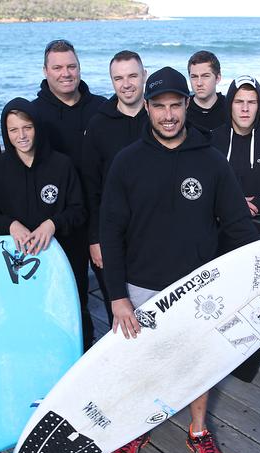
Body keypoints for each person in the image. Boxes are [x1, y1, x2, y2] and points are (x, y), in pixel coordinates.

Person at [100, 67, 260, 453]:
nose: (168, 114)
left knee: (199, 364)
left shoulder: (211, 162)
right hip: (139, 287)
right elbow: (110, 231)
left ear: (187, 105)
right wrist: (117, 295)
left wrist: (255, 282)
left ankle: (198, 429)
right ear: (147, 109)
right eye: (160, 107)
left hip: (199, 288)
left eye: (176, 105)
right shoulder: (126, 162)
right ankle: (137, 427)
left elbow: (240, 227)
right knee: (140, 363)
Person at [212, 74, 260, 391]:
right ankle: (219, 355)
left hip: (257, 233)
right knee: (221, 297)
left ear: (259, 106)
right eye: (239, 101)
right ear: (230, 104)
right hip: (217, 232)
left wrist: (253, 206)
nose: (245, 108)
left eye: (252, 102)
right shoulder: (213, 138)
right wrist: (231, 204)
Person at [32, 39, 106, 350]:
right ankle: (78, 356)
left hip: (103, 219)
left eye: (71, 66)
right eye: (58, 67)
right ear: (45, 71)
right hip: (60, 224)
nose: (66, 73)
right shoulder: (34, 115)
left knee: (118, 295)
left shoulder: (102, 109)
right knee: (69, 299)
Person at [81, 50, 148, 331]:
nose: (127, 84)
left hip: (153, 232)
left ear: (144, 76)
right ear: (111, 82)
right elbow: (90, 186)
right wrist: (94, 239)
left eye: (133, 75)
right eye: (118, 78)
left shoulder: (160, 117)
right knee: (120, 316)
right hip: (112, 235)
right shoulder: (98, 125)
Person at [0, 97, 86, 261]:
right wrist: (10, 225)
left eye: (27, 128)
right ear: (5, 131)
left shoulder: (62, 165)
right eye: (13, 130)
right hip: (14, 257)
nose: (21, 135)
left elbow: (78, 211)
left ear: (37, 127)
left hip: (60, 254)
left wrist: (52, 224)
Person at [186, 51, 227, 131]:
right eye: (194, 77)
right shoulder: (183, 110)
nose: (199, 83)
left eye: (205, 76)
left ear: (218, 78)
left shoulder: (229, 108)